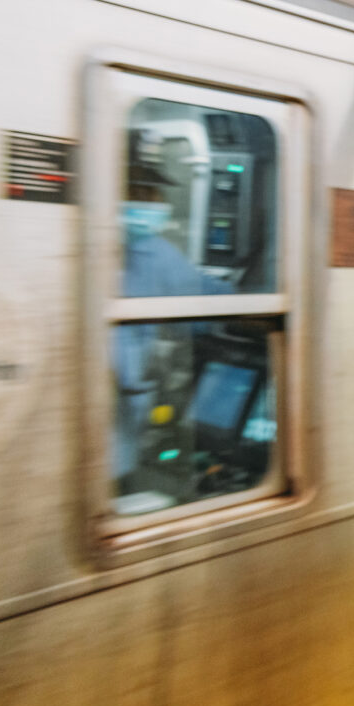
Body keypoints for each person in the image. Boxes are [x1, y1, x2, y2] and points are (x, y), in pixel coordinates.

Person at [114, 128, 232, 495]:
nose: (155, 200)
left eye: (153, 191)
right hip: (108, 448)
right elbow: (207, 303)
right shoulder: (151, 252)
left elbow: (201, 294)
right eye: (143, 191)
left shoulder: (147, 251)